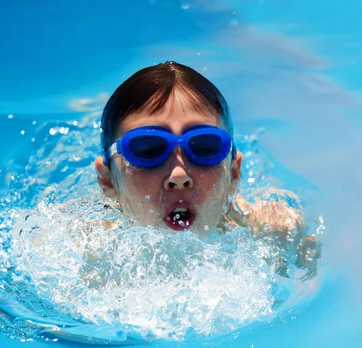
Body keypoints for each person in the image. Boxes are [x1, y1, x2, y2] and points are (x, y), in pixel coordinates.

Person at [94, 61, 320, 276]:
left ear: (233, 173)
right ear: (108, 180)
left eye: (204, 147)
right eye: (147, 149)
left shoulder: (273, 232)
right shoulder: (87, 252)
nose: (179, 175)